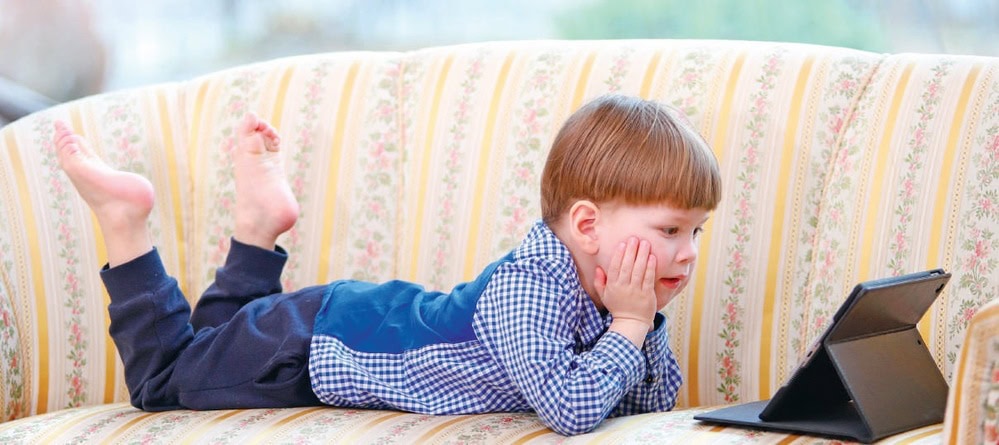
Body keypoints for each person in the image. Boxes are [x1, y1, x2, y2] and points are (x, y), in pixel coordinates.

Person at [54, 94, 722, 436]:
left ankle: (258, 226)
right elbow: (572, 409)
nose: (687, 250)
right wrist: (630, 325)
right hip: (308, 345)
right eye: (669, 229)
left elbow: (646, 400)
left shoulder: (599, 295)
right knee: (165, 379)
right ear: (587, 224)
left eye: (694, 231)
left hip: (320, 330)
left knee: (210, 349)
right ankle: (125, 220)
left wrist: (638, 319)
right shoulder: (528, 286)